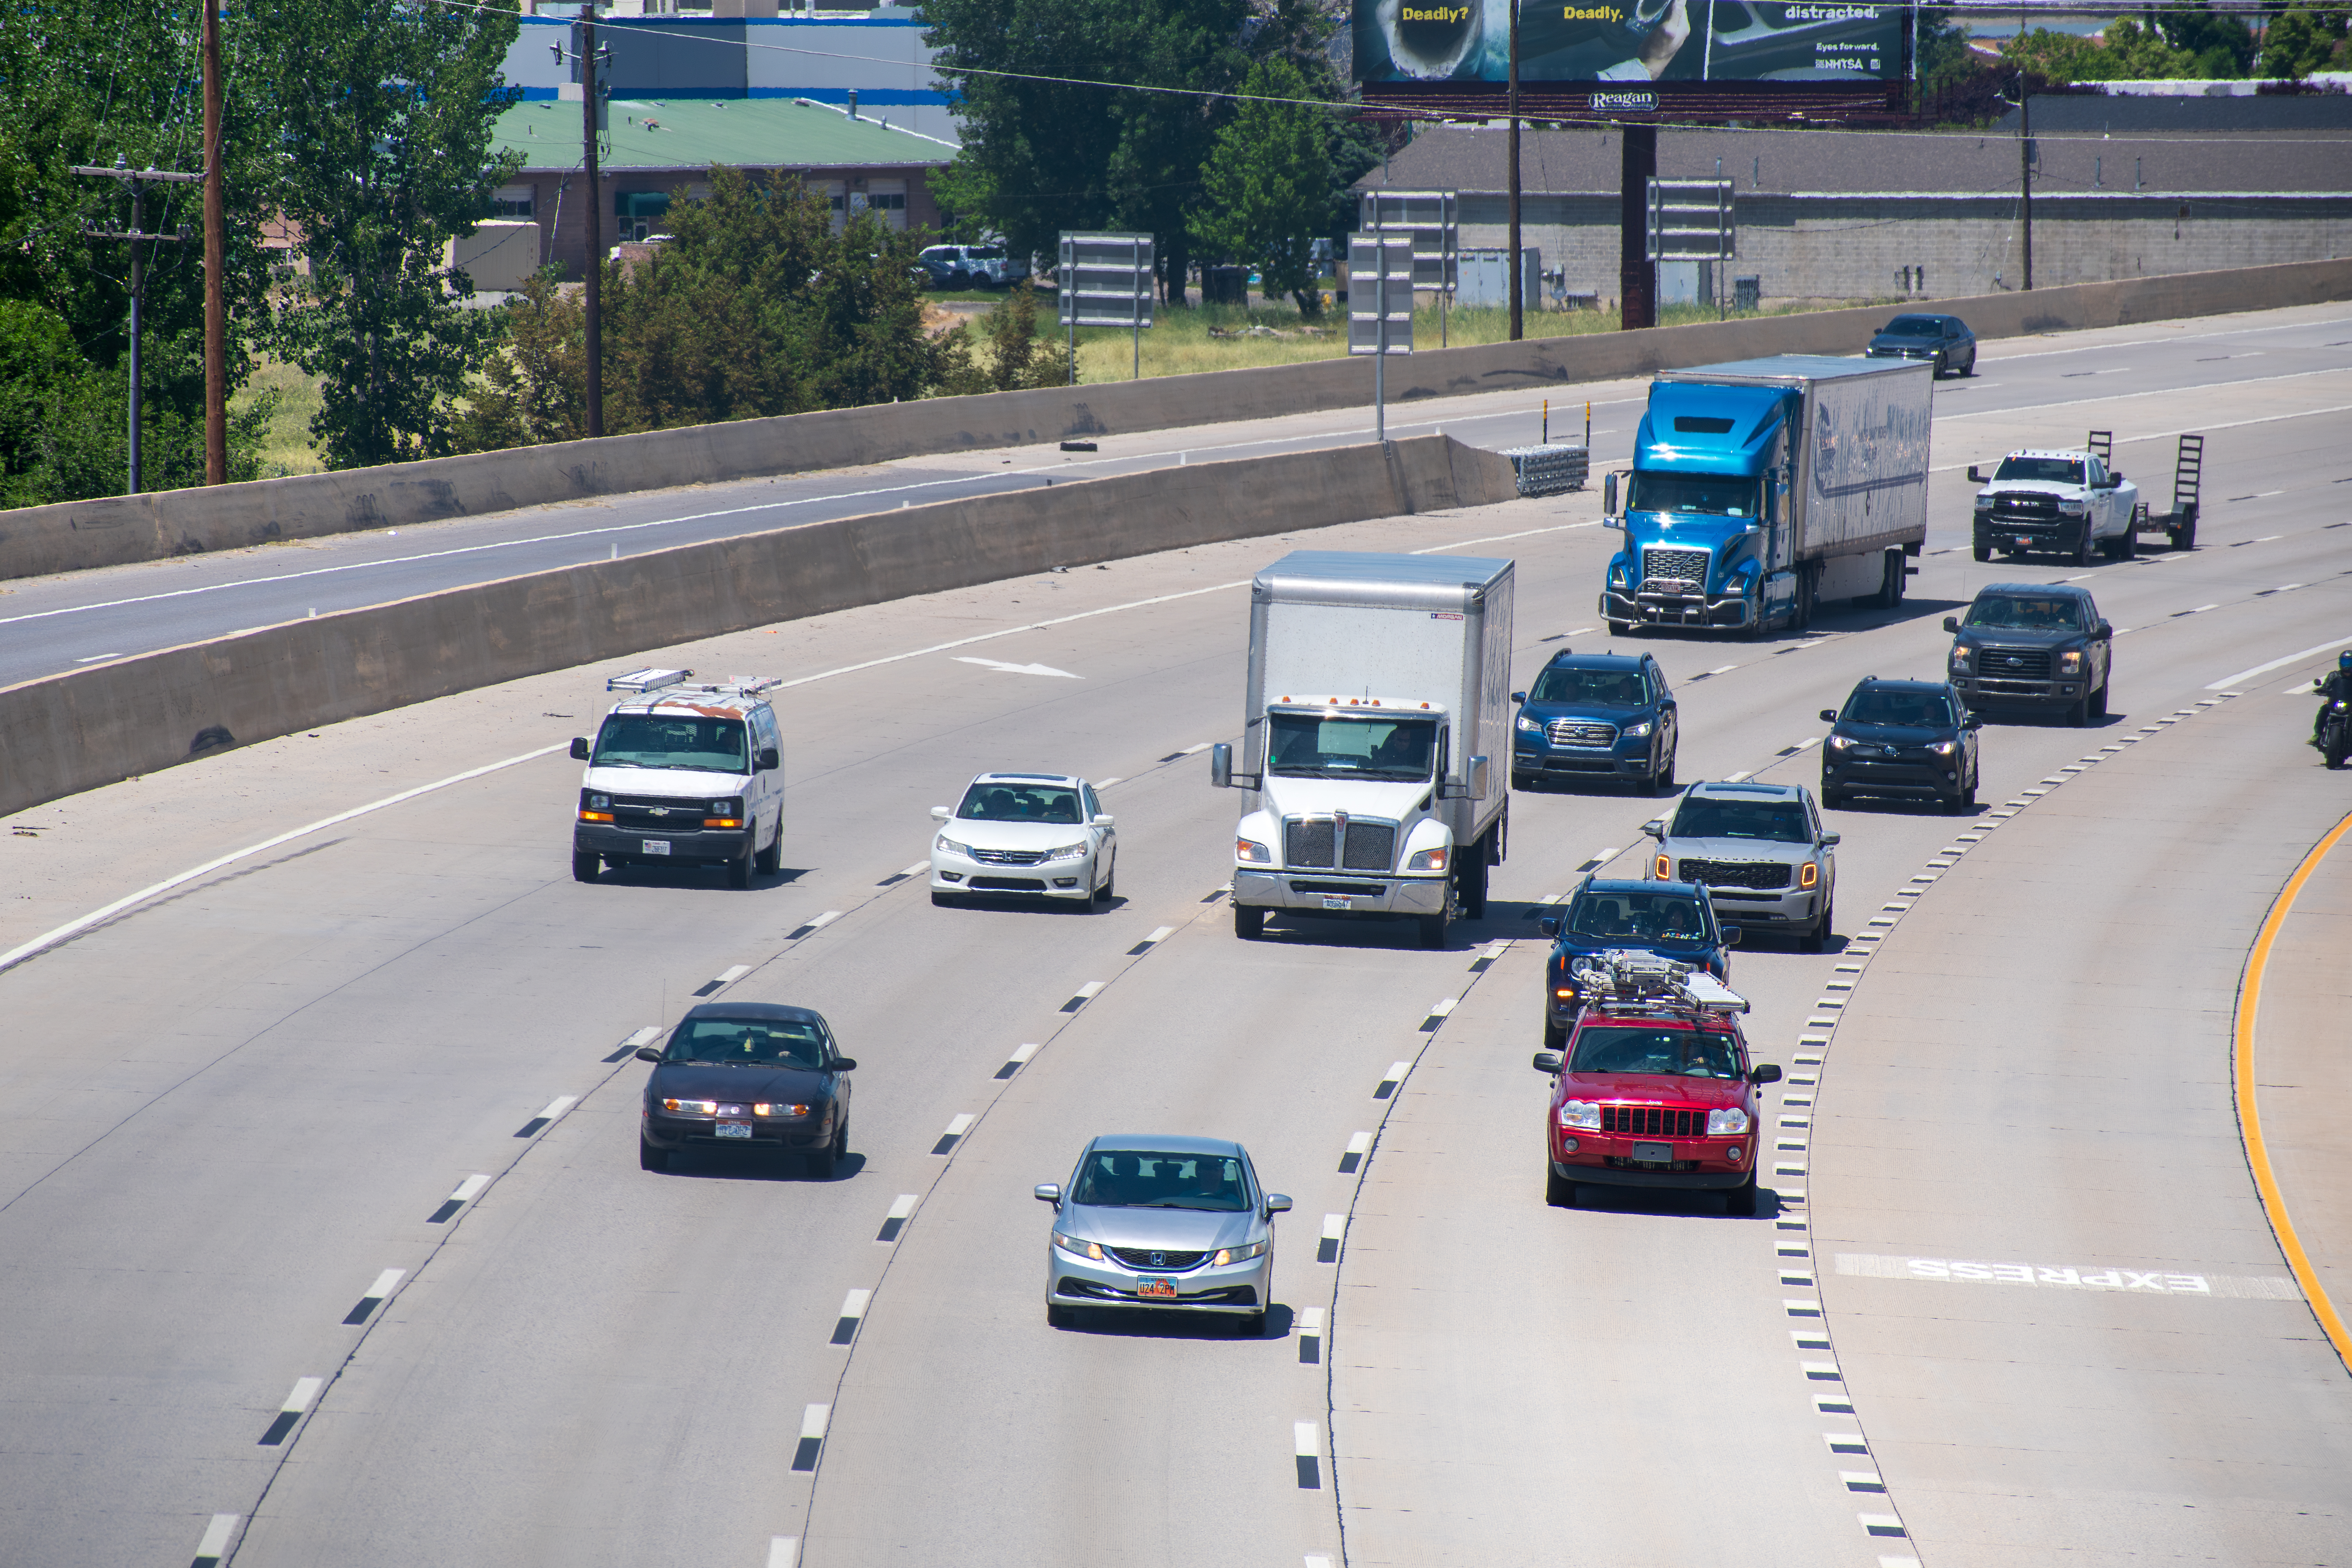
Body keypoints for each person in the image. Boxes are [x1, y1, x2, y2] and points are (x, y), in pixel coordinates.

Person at [2314, 649, 2352, 746]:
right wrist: (2321, 690)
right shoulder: (2334, 675)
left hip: (2350, 705)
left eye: (2349, 662)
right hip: (2335, 703)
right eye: (2345, 662)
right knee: (2324, 709)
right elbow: (2326, 685)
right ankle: (2317, 735)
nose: (2347, 665)